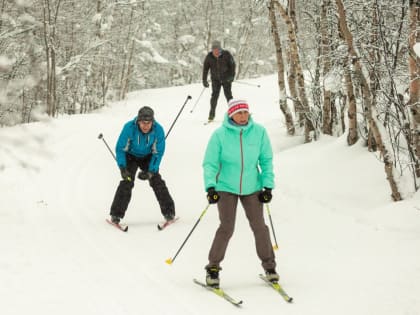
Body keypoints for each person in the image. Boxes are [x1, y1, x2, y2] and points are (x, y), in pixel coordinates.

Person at [202, 99, 278, 288]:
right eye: (239, 113)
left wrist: (268, 186)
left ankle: (269, 267)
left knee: (260, 226)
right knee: (227, 227)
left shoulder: (259, 132)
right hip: (226, 186)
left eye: (245, 112)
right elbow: (210, 163)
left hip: (252, 186)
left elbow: (266, 160)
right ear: (231, 115)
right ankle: (213, 267)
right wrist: (210, 187)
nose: (243, 116)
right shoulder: (219, 135)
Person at [109, 106, 175, 224]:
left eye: (148, 123)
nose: (145, 126)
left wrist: (151, 171)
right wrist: (123, 167)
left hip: (148, 156)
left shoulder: (158, 130)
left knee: (156, 180)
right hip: (131, 156)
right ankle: (115, 214)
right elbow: (120, 148)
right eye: (143, 123)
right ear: (138, 121)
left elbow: (158, 153)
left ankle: (169, 212)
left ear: (152, 122)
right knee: (127, 181)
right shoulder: (129, 128)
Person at [202, 40, 236, 122]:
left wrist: (232, 76)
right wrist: (204, 80)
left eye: (217, 49)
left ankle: (233, 113)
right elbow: (205, 69)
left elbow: (233, 65)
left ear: (220, 49)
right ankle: (211, 114)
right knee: (214, 96)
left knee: (228, 96)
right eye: (214, 50)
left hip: (226, 79)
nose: (216, 51)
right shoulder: (209, 57)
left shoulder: (226, 54)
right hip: (215, 80)